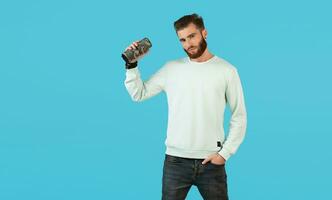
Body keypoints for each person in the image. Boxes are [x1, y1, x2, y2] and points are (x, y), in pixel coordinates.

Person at [123, 13, 247, 200]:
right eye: (182, 39)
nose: (188, 44)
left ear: (204, 33)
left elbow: (239, 116)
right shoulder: (171, 68)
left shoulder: (227, 71)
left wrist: (225, 154)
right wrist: (132, 64)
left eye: (192, 36)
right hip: (175, 162)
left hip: (211, 162)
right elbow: (139, 94)